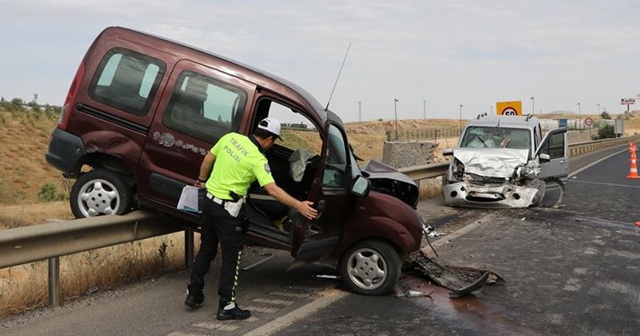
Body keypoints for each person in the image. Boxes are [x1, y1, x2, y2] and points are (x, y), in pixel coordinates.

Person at [185, 117, 318, 321]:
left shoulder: (230, 138)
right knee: (232, 256)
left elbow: (208, 159)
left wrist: (202, 181)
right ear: (270, 139)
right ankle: (227, 305)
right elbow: (272, 190)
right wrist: (299, 205)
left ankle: (193, 294)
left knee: (207, 248)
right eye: (273, 142)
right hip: (228, 211)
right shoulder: (257, 159)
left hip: (209, 204)